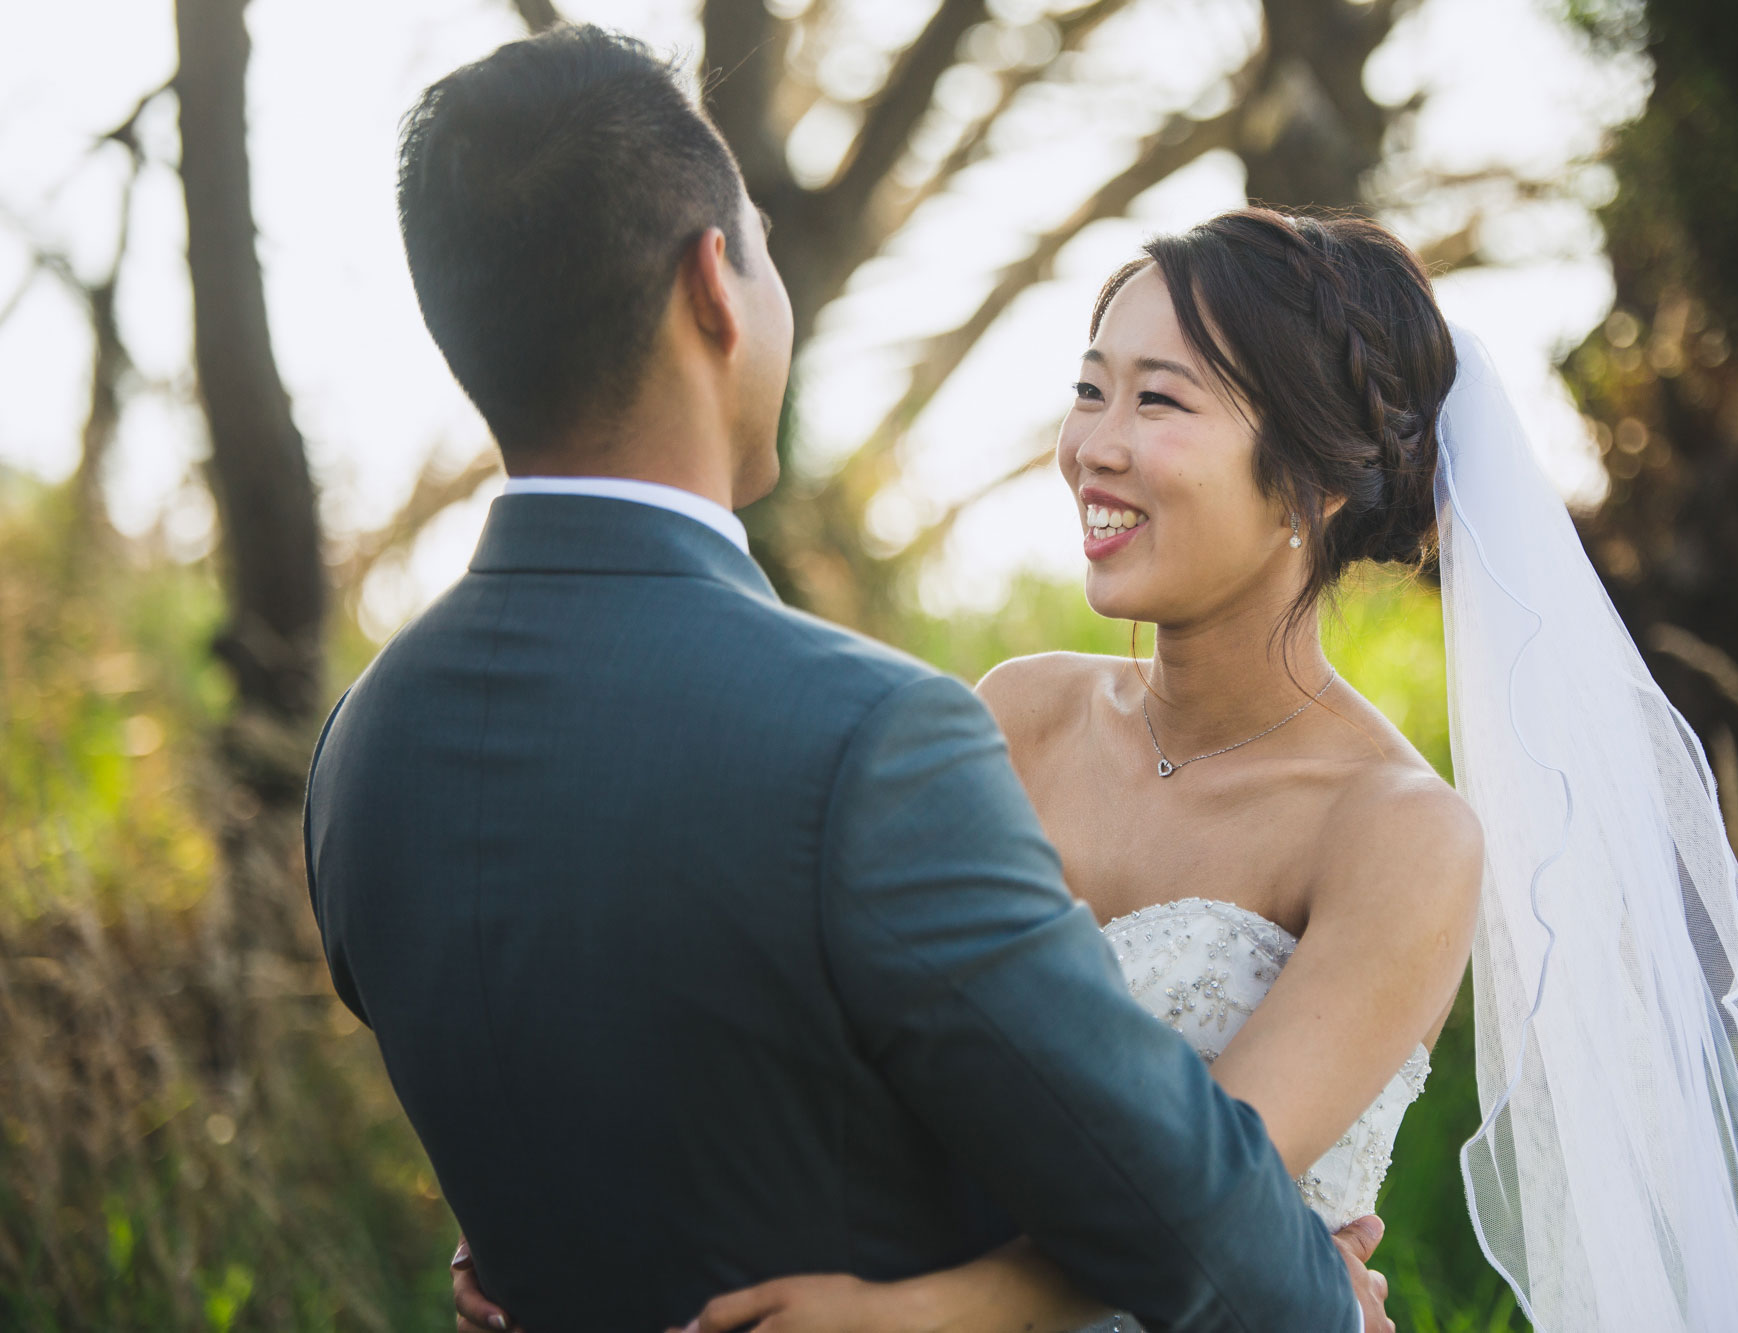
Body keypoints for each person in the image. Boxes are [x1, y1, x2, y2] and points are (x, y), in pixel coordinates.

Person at [468, 201, 1738, 1329]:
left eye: (1162, 400)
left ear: (1314, 485)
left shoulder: (1396, 834)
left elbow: (1210, 1193)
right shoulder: (1011, 714)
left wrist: (916, 1319)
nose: (1098, 445)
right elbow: (810, 1052)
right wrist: (589, 1224)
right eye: (1090, 390)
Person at [305, 25, 1388, 1333]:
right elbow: (1189, 1224)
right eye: (761, 243)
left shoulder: (362, 748)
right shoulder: (872, 740)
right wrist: (1324, 1296)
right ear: (717, 285)